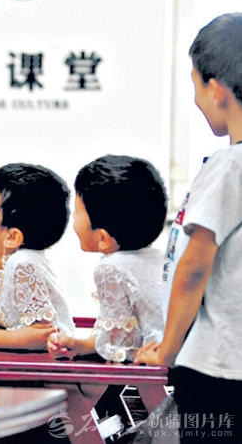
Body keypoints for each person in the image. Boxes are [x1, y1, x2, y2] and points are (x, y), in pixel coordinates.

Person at [136, 13, 242, 443]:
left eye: (196, 85)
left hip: (218, 366)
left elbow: (195, 267)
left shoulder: (229, 166)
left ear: (216, 90)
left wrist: (168, 349)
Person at [48, 155, 167, 363]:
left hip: (151, 367)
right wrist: (80, 345)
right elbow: (122, 334)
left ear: (103, 239)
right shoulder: (155, 257)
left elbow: (120, 346)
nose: (73, 216)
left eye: (77, 211)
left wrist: (81, 347)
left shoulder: (111, 267)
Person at [0, 163, 74, 350]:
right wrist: (16, 339)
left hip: (46, 363)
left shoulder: (24, 264)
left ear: (11, 237)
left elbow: (41, 338)